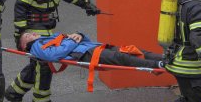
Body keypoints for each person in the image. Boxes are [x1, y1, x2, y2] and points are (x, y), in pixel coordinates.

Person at [19, 32, 164, 69]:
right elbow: (54, 55)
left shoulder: (49, 38)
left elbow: (82, 40)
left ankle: (163, 58)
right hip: (86, 54)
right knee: (121, 58)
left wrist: (80, 35)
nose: (30, 33)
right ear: (25, 46)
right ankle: (158, 65)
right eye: (27, 36)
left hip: (93, 47)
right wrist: (72, 40)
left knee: (132, 50)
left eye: (29, 32)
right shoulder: (37, 47)